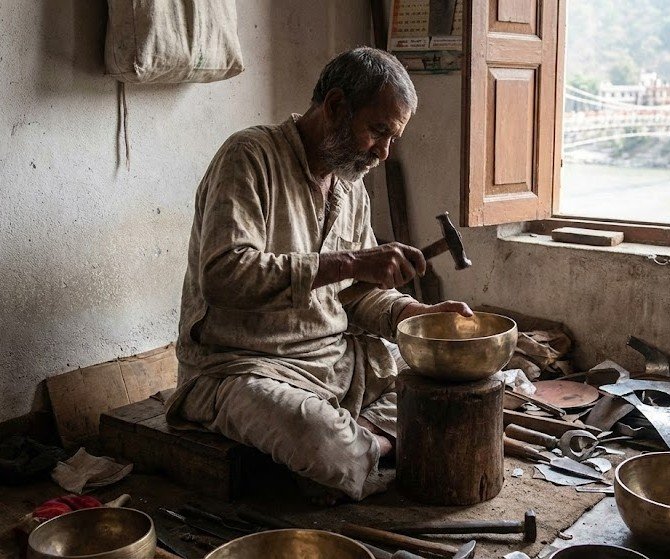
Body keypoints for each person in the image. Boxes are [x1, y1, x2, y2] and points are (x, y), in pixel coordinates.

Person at [164, 46, 472, 501]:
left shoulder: (351, 187)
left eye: (393, 138)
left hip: (333, 358)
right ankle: (368, 445)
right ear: (335, 106)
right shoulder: (249, 156)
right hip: (244, 367)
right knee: (323, 442)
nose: (383, 152)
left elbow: (355, 296)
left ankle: (365, 442)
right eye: (378, 131)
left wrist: (415, 317)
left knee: (448, 380)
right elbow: (224, 275)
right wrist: (351, 262)